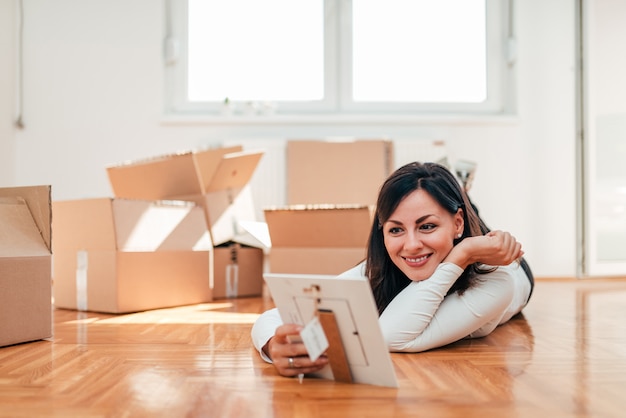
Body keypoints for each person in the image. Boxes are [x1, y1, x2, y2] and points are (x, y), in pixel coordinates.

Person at [251, 161, 534, 378]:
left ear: (457, 224)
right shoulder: (377, 269)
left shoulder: (497, 281)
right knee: (443, 223)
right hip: (450, 248)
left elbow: (391, 336)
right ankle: (456, 198)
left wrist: (464, 252)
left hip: (517, 273)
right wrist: (272, 345)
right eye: (396, 229)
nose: (410, 245)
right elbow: (272, 316)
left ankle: (465, 202)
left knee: (472, 222)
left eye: (427, 226)